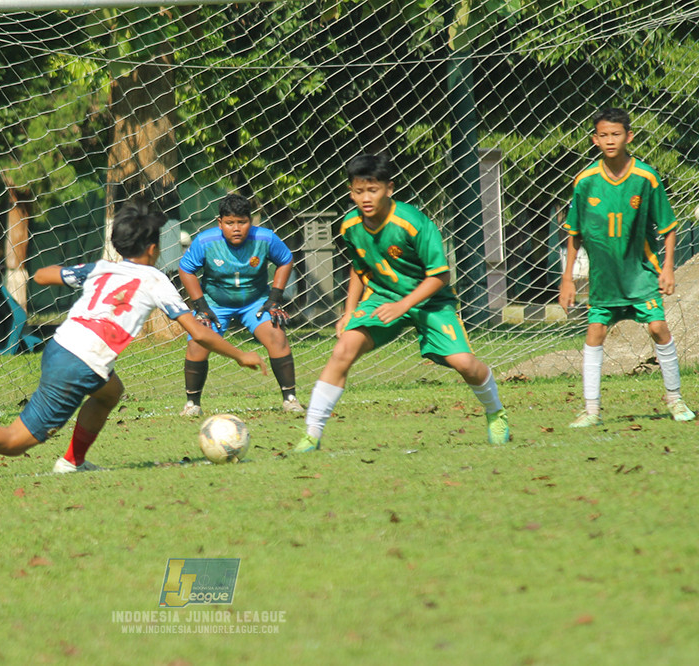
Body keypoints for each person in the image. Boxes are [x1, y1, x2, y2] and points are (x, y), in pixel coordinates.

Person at [0, 198, 266, 472]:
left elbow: (45, 275)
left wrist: (67, 276)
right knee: (15, 442)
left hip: (62, 346)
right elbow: (199, 332)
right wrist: (241, 355)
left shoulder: (100, 269)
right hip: (80, 363)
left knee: (110, 392)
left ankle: (73, 461)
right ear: (151, 247)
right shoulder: (155, 279)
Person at [292, 153, 509, 452]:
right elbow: (360, 267)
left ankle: (495, 413)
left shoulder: (413, 222)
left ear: (389, 188)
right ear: (350, 191)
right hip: (381, 297)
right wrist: (349, 312)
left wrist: (404, 305)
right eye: (358, 191)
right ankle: (311, 434)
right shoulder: (350, 225)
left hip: (429, 300)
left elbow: (440, 277)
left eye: (373, 190)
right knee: (343, 349)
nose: (365, 198)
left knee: (465, 364)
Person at [559, 107, 694, 426]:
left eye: (616, 134)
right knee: (594, 333)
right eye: (603, 135)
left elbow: (669, 226)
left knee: (658, 328)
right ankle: (591, 410)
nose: (610, 140)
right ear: (595, 139)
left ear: (629, 136)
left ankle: (675, 400)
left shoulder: (645, 177)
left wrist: (669, 268)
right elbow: (573, 233)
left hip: (640, 276)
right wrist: (567, 278)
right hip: (605, 281)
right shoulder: (585, 181)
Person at [178, 194, 302, 417]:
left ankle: (290, 399)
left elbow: (285, 260)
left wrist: (274, 298)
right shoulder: (206, 241)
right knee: (198, 342)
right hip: (215, 305)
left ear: (251, 221)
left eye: (242, 222)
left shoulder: (265, 238)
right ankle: (192, 404)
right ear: (220, 223)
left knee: (276, 336)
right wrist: (200, 305)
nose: (236, 228)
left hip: (254, 303)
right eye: (230, 223)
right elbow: (186, 269)